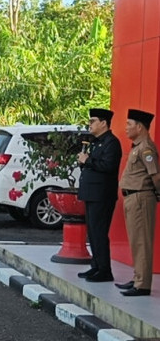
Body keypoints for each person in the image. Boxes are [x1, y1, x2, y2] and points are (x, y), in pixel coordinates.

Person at [116, 109, 160, 297]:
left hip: (141, 198)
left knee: (142, 241)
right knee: (136, 241)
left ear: (140, 127)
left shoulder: (146, 148)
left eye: (129, 124)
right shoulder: (137, 147)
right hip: (132, 198)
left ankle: (142, 284)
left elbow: (156, 175)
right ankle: (137, 278)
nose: (126, 128)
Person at [76, 108, 122, 282]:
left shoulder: (111, 142)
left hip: (102, 194)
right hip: (91, 193)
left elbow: (108, 166)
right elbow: (91, 164)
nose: (90, 124)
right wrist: (84, 160)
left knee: (99, 231)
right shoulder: (95, 142)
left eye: (93, 121)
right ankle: (95, 265)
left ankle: (104, 269)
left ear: (103, 123)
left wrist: (87, 160)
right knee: (92, 231)